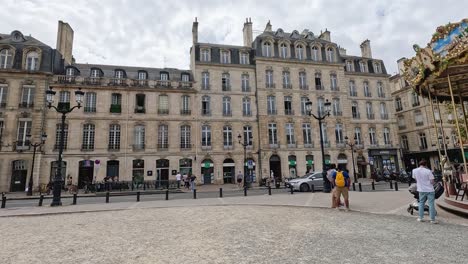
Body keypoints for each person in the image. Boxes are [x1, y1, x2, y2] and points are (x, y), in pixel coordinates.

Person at [412, 160, 438, 224]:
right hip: (430, 190)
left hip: (421, 189)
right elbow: (432, 181)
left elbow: (415, 179)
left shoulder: (414, 170)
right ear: (426, 165)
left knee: (421, 203)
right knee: (431, 204)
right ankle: (432, 219)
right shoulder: (428, 171)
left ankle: (421, 218)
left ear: (419, 164)